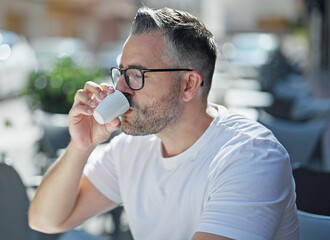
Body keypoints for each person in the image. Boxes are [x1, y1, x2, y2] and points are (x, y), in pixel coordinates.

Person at [29, 7, 299, 240]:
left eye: (136, 74)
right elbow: (45, 220)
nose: (119, 88)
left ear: (188, 84)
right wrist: (81, 146)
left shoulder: (252, 157)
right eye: (120, 72)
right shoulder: (130, 150)